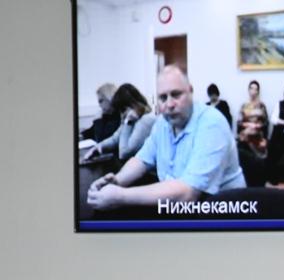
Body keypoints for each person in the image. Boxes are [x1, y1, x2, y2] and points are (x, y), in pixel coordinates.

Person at [86, 65, 245, 212]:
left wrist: (120, 196)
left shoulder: (211, 123)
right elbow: (141, 160)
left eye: (176, 94)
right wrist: (116, 181)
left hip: (221, 215)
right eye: (163, 97)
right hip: (179, 210)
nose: (169, 104)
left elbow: (187, 194)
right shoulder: (163, 122)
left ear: (190, 91)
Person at [84, 83, 156, 162]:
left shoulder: (145, 120)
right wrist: (99, 147)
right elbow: (115, 139)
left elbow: (124, 153)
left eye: (123, 110)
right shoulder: (133, 118)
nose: (122, 115)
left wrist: (128, 123)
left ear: (132, 105)